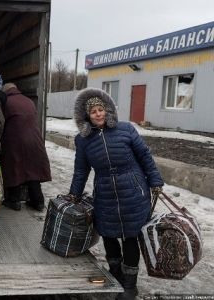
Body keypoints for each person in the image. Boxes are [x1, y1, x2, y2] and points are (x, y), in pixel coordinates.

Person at [69, 87, 164, 300]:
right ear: (87, 115)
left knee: (131, 237)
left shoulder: (126, 129)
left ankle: (130, 285)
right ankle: (115, 275)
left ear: (107, 110)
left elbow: (144, 155)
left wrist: (155, 181)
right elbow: (81, 169)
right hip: (105, 193)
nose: (98, 114)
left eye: (101, 109)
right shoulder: (83, 140)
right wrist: (74, 194)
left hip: (133, 190)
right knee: (109, 235)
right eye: (93, 111)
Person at [0, 83, 52, 212]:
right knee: (33, 170)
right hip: (35, 139)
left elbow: (1, 122)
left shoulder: (6, 102)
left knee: (14, 168)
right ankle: (38, 202)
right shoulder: (28, 101)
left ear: (5, 91)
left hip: (15, 140)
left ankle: (14, 201)